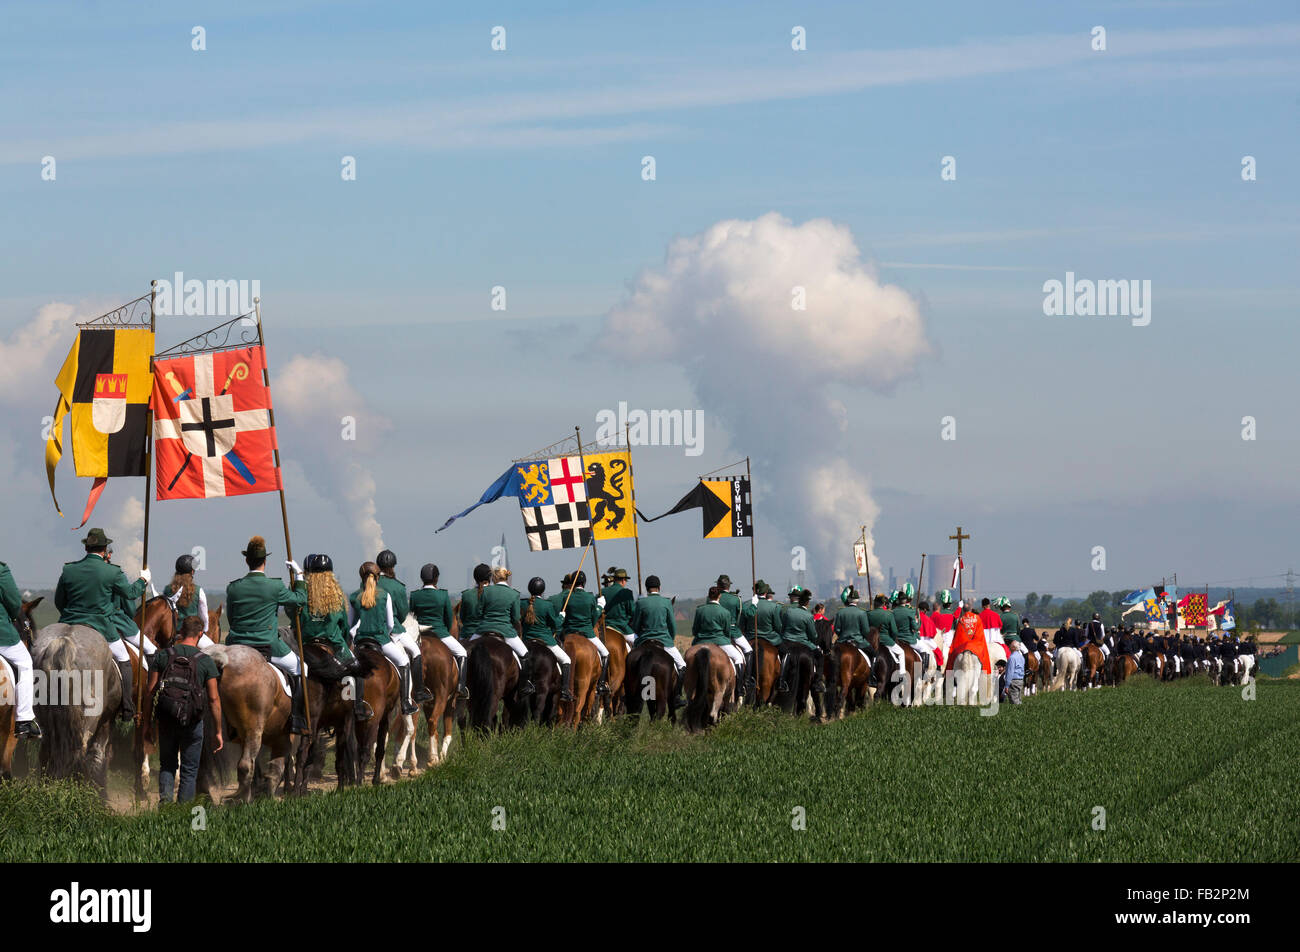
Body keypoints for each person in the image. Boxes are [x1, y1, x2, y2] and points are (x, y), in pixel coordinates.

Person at [54, 528, 152, 721]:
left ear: (86, 547)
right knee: (124, 658)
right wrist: (143, 580)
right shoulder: (112, 571)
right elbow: (131, 594)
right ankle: (126, 705)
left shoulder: (69, 569)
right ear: (105, 548)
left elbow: (59, 601)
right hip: (100, 626)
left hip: (68, 623)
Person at [225, 535, 309, 733]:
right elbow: (299, 599)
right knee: (302, 669)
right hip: (268, 645)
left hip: (237, 645)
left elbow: (231, 618)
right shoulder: (275, 586)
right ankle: (298, 719)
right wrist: (299, 576)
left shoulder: (234, 587)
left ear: (246, 561)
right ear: (265, 561)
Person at [144, 615, 221, 803]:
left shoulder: (164, 655)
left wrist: (147, 724)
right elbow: (213, 699)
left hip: (167, 718)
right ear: (200, 634)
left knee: (167, 765)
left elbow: (150, 692)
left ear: (180, 632)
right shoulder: (205, 661)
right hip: (193, 721)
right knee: (189, 769)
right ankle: (183, 811)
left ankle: (165, 808)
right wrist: (218, 731)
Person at [288, 554, 372, 722]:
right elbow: (343, 626)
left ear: (308, 573)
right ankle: (358, 707)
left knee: (288, 674)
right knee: (356, 669)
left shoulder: (302, 593)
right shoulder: (337, 596)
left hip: (304, 646)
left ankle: (294, 712)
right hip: (334, 644)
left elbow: (292, 616)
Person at [349, 561, 417, 715]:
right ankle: (406, 702)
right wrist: (383, 633)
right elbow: (391, 624)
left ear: (361, 577)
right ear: (378, 577)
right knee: (404, 661)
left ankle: (357, 703)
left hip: (360, 642)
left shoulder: (354, 596)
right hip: (380, 641)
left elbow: (349, 625)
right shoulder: (385, 595)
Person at [376, 550, 432, 704]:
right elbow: (402, 614)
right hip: (393, 630)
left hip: (370, 630)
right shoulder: (397, 586)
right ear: (393, 566)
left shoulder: (369, 582)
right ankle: (418, 692)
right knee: (415, 651)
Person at [410, 563, 468, 699]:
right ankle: (460, 687)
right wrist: (444, 632)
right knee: (462, 653)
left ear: (421, 579)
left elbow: (412, 616)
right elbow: (449, 619)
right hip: (440, 633)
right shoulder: (443, 595)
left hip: (419, 635)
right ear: (436, 579)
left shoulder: (415, 595)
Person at [475, 565, 535, 697]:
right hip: (506, 632)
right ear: (506, 578)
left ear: (494, 577)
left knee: (466, 650)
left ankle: (461, 683)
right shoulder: (514, 594)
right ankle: (524, 684)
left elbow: (479, 612)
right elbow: (515, 618)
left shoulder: (485, 591)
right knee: (525, 654)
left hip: (484, 629)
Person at [629, 575, 684, 707]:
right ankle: (677, 696)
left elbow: (635, 625)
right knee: (682, 666)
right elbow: (672, 625)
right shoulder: (666, 602)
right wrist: (670, 639)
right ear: (659, 588)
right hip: (664, 641)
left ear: (647, 589)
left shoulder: (641, 603)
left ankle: (631, 694)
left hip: (644, 640)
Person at [0, 559, 40, 737]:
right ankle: (23, 721)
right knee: (25, 663)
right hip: (2, 634)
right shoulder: (1, 569)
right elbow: (15, 604)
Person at [521, 576, 572, 702]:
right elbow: (555, 624)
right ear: (542, 591)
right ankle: (565, 690)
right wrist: (561, 617)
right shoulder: (546, 605)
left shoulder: (522, 603)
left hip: (526, 641)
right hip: (546, 641)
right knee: (566, 660)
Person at [558, 571, 609, 696]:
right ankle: (601, 683)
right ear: (584, 583)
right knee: (605, 653)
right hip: (587, 634)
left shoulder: (567, 597)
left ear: (573, 582)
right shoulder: (590, 597)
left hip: (568, 633)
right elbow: (593, 620)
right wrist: (600, 606)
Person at [692, 586, 744, 686]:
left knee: (688, 659)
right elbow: (727, 632)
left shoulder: (699, 610)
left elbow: (695, 630)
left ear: (708, 596)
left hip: (701, 641)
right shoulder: (725, 612)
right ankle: (740, 687)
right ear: (719, 596)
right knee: (738, 658)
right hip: (721, 641)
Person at [777, 588, 823, 694]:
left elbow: (782, 628)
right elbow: (813, 635)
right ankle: (817, 682)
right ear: (807, 603)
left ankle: (781, 680)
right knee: (820, 656)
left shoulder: (788, 611)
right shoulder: (809, 616)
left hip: (787, 641)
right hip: (803, 642)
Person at [164, 553, 214, 649]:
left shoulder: (167, 590)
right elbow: (204, 616)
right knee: (216, 654)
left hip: (171, 634)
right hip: (192, 633)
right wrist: (205, 630)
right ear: (192, 572)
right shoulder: (198, 590)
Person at [716, 574, 755, 692]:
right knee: (748, 650)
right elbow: (748, 614)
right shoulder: (736, 599)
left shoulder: (714, 597)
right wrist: (754, 604)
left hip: (716, 632)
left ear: (718, 585)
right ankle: (746, 681)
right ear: (729, 586)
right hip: (733, 632)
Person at [601, 567, 637, 649]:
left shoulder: (603, 591)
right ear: (623, 580)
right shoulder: (627, 593)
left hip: (605, 627)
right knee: (640, 642)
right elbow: (633, 612)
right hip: (622, 627)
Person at [458, 564, 490, 645]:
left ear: (475, 577)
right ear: (489, 577)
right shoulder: (494, 594)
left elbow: (462, 618)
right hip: (488, 634)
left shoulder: (466, 594)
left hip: (467, 634)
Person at [1004, 629, 1025, 703]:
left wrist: (1006, 685)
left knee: (1014, 702)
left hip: (1013, 681)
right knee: (1019, 700)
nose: (1009, 647)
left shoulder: (1012, 658)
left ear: (1013, 647)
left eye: (1010, 646)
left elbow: (1010, 672)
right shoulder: (1021, 657)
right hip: (1020, 680)